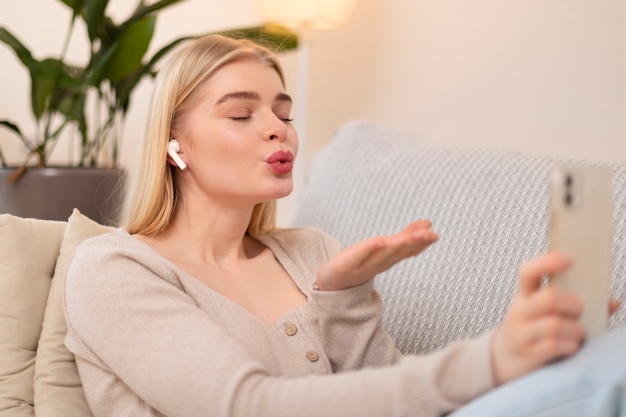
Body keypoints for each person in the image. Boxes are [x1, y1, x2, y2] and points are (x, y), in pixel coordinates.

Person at [63, 34, 624, 417]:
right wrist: (492, 360)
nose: (277, 130)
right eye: (241, 114)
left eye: (284, 113)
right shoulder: (112, 269)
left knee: (607, 351)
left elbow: (389, 398)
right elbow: (247, 407)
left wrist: (345, 297)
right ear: (174, 144)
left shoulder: (312, 253)